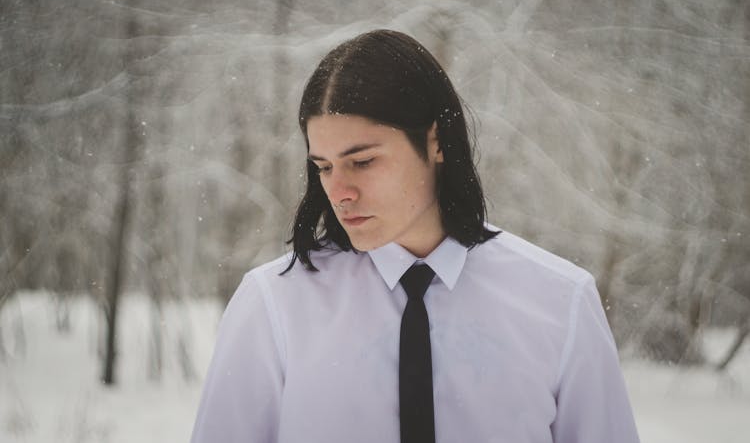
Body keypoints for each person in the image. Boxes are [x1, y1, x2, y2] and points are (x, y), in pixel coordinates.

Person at [190, 29, 640, 443]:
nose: (339, 193)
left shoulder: (560, 302)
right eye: (323, 167)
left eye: (362, 161)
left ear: (436, 141)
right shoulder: (274, 306)